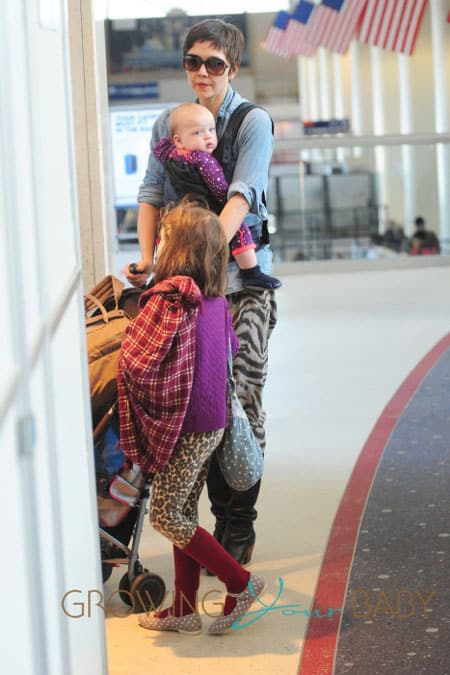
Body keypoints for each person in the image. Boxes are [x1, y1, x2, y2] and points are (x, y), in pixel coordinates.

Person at [126, 18, 278, 567]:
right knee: (195, 404)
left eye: (214, 63)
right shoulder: (170, 124)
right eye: (194, 61)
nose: (203, 72)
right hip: (183, 287)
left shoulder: (250, 122)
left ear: (232, 67)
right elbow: (150, 191)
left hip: (239, 286)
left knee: (244, 403)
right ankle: (196, 532)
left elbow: (242, 194)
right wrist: (148, 260)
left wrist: (208, 248)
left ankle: (237, 522)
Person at [118, 201, 265, 635]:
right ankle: (183, 608)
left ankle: (240, 583)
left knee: (166, 515)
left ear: (177, 248)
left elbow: (139, 360)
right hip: (211, 420)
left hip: (185, 424)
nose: (158, 244)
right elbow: (232, 352)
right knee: (182, 508)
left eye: (163, 239)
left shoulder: (170, 298)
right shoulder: (216, 300)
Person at [153, 102, 281, 290]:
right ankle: (251, 272)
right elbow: (219, 188)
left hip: (182, 213)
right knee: (239, 230)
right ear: (179, 139)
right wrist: (228, 206)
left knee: (169, 237)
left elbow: (159, 150)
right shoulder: (204, 160)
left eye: (211, 130)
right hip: (206, 211)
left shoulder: (170, 154)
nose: (207, 136)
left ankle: (162, 273)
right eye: (198, 132)